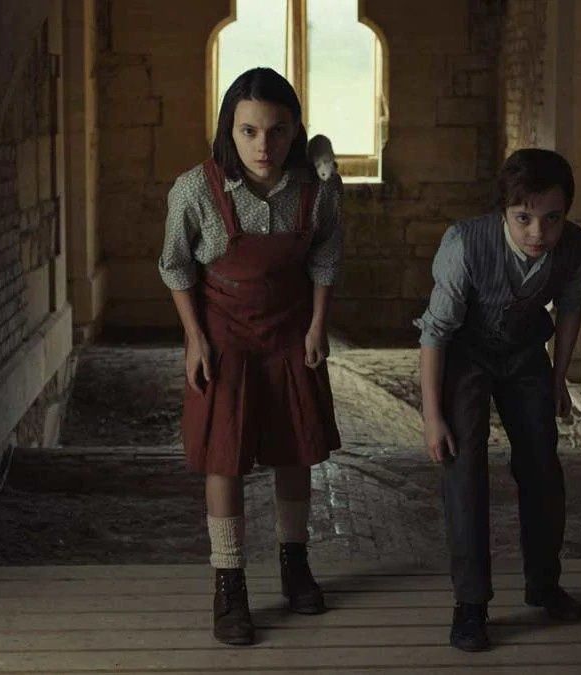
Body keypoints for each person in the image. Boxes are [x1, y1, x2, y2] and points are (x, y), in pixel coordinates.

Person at [158, 67, 344, 646]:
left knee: (296, 447)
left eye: (277, 131)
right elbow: (176, 265)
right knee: (225, 456)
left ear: (295, 130)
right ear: (229, 130)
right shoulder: (195, 190)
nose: (264, 145)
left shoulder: (316, 190)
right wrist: (194, 337)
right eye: (249, 131)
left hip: (291, 329)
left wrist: (317, 326)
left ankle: (295, 563)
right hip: (224, 333)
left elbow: (325, 256)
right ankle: (229, 583)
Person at [414, 148, 581, 652]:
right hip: (465, 354)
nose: (538, 232)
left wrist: (557, 379)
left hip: (524, 353)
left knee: (541, 463)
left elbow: (570, 310)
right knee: (464, 466)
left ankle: (544, 584)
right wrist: (432, 416)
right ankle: (471, 604)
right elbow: (435, 333)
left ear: (566, 212)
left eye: (552, 218)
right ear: (504, 211)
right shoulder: (464, 244)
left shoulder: (575, 247)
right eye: (524, 218)